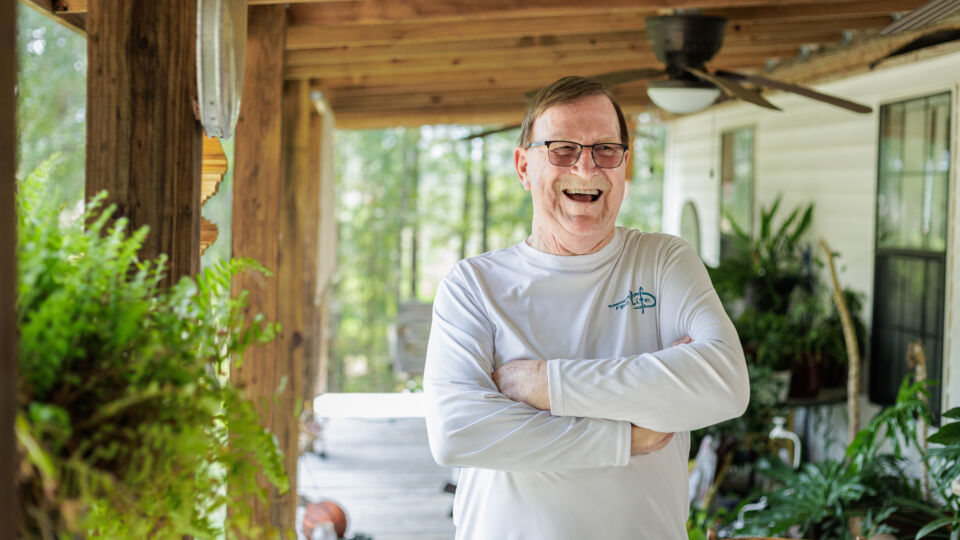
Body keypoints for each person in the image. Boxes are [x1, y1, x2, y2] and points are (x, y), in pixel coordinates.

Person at [423, 76, 749, 540]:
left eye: (606, 150)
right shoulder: (475, 286)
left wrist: (543, 384)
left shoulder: (662, 262)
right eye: (561, 149)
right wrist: (624, 437)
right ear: (523, 166)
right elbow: (458, 431)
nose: (586, 167)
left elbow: (725, 384)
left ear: (624, 165)